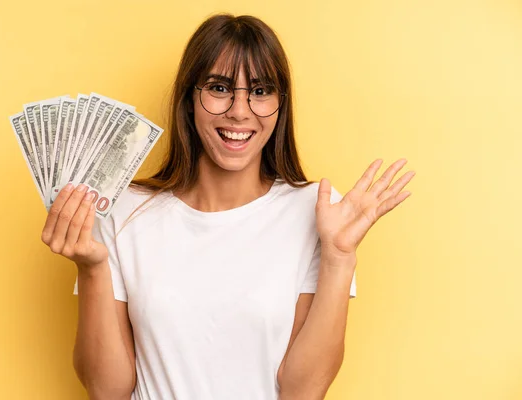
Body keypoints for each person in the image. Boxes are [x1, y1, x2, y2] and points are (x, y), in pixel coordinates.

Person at [40, 13, 415, 400]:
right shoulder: (125, 212)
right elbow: (108, 391)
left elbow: (302, 392)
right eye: (219, 88)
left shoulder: (316, 213)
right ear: (190, 100)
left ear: (279, 105)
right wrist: (91, 268)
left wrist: (340, 258)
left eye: (260, 91)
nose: (239, 111)